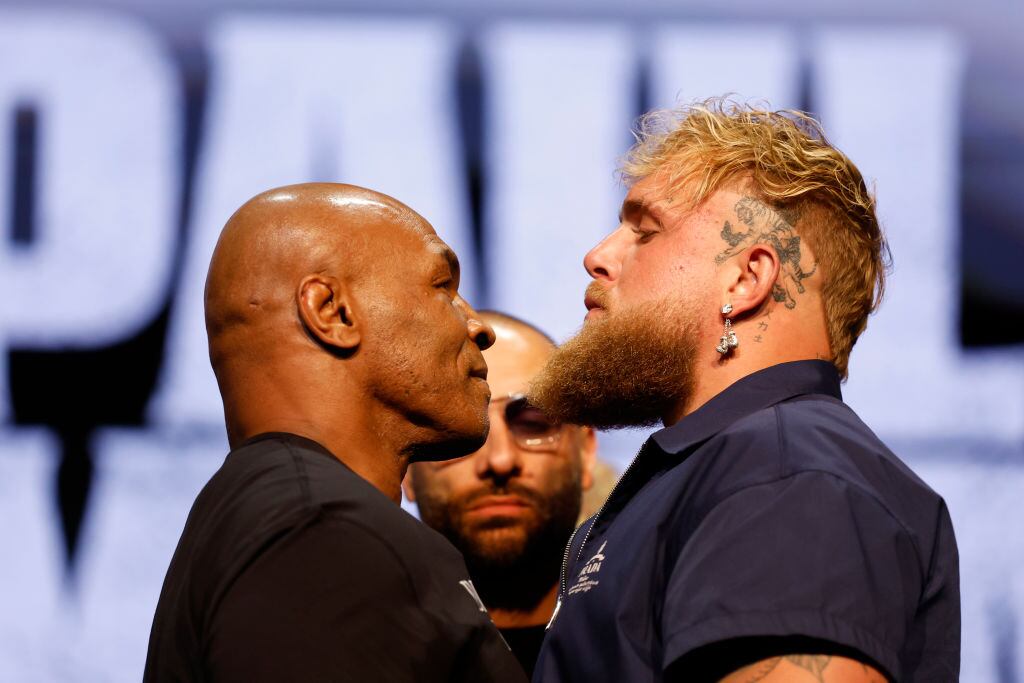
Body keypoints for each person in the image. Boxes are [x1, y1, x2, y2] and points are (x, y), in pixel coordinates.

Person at [527, 100, 959, 682]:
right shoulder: (735, 469)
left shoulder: (788, 478)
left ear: (747, 278)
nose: (598, 256)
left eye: (645, 230)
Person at [144, 183, 526, 682]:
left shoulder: (274, 519)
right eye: (442, 287)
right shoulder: (325, 536)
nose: (479, 326)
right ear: (333, 312)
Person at [404, 311, 599, 677]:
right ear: (407, 471)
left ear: (586, 452)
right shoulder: (353, 649)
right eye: (461, 431)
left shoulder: (649, 636)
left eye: (532, 422)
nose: (500, 460)